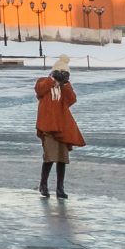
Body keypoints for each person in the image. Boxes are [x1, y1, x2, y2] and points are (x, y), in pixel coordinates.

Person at [35, 57, 84, 199]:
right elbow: (39, 90)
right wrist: (52, 79)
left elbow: (71, 99)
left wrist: (66, 83)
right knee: (49, 157)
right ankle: (43, 185)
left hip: (62, 128)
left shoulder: (63, 88)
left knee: (62, 159)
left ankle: (60, 188)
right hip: (48, 127)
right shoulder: (43, 82)